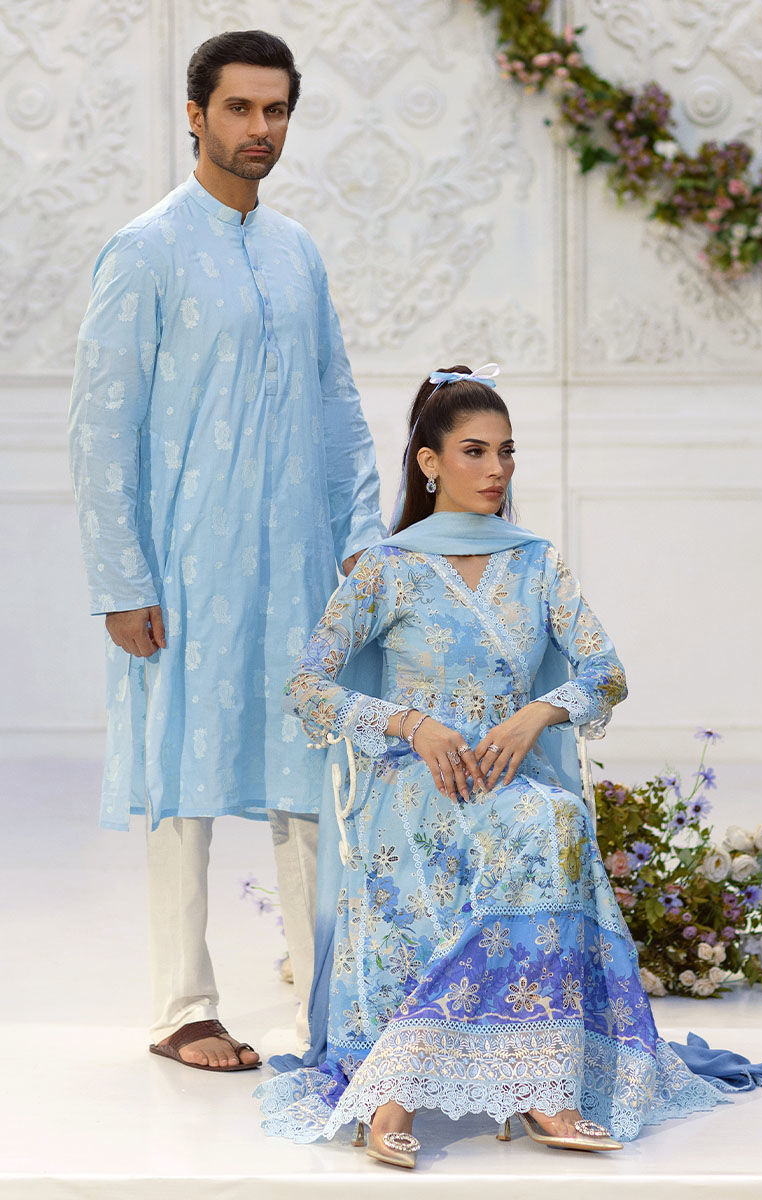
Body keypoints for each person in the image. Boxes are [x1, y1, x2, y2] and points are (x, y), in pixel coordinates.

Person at [254, 364, 726, 1165]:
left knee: (551, 816)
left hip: (508, 779)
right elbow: (307, 686)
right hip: (413, 781)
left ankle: (476, 1087)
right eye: (474, 451)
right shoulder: (387, 567)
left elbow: (605, 670)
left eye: (506, 452)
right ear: (429, 462)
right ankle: (487, 1091)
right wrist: (411, 725)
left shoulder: (537, 562)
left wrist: (539, 712)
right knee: (547, 825)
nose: (497, 469)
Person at [68, 30, 384, 1071]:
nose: (260, 129)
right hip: (185, 569)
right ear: (195, 115)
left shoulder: (296, 251)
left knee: (314, 780)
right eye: (240, 108)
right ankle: (183, 1008)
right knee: (182, 784)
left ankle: (331, 1008)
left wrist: (363, 547)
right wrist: (122, 579)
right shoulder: (146, 250)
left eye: (276, 110)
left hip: (299, 566)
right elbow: (101, 427)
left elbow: (337, 407)